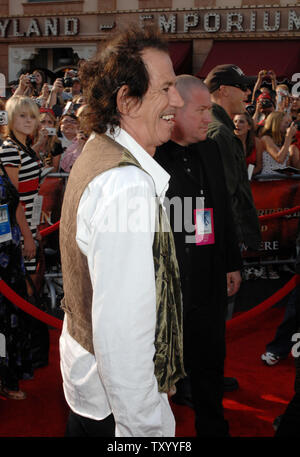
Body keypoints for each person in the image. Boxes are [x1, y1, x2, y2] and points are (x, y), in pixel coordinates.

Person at [59, 26, 185, 437]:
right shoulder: (125, 185)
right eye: (165, 88)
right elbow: (122, 337)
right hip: (116, 413)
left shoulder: (99, 150)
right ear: (126, 100)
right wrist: (149, 431)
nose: (178, 101)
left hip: (91, 391)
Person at [155, 75, 242, 436]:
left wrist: (231, 261)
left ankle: (213, 426)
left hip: (208, 276)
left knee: (210, 360)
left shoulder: (209, 147)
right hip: (167, 285)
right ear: (175, 111)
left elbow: (222, 206)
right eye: (202, 110)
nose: (210, 117)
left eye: (210, 108)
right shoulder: (151, 155)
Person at [0, 95, 49, 368]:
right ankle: (19, 359)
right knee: (22, 297)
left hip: (28, 227)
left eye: (32, 116)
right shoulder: (10, 150)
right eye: (22, 116)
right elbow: (13, 199)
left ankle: (28, 355)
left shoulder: (26, 148)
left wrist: (35, 227)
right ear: (10, 119)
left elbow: (32, 195)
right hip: (18, 234)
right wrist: (27, 235)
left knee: (30, 292)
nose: (29, 121)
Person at [204, 64, 261, 254]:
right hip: (223, 239)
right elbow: (221, 197)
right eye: (242, 87)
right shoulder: (219, 132)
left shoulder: (221, 128)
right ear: (224, 90)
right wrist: (228, 250)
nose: (247, 92)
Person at [0, 160, 33, 400]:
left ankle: (7, 378)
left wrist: (27, 237)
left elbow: (15, 205)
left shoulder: (2, 164)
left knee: (7, 323)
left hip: (9, 257)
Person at [260, 111, 297, 176]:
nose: (288, 125)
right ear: (276, 123)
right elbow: (279, 159)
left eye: (288, 122)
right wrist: (288, 137)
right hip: (269, 179)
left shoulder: (283, 141)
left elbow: (285, 164)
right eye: (286, 122)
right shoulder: (266, 138)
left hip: (283, 179)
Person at [32, 108, 63, 172]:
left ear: (53, 126)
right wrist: (39, 142)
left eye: (50, 122)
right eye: (43, 122)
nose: (46, 125)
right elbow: (28, 156)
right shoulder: (29, 139)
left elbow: (55, 170)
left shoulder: (56, 143)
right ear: (37, 124)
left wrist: (48, 169)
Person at [233, 111, 263, 177]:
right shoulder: (228, 141)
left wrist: (247, 175)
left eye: (241, 122)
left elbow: (259, 166)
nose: (237, 124)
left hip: (249, 180)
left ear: (249, 126)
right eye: (235, 121)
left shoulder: (256, 142)